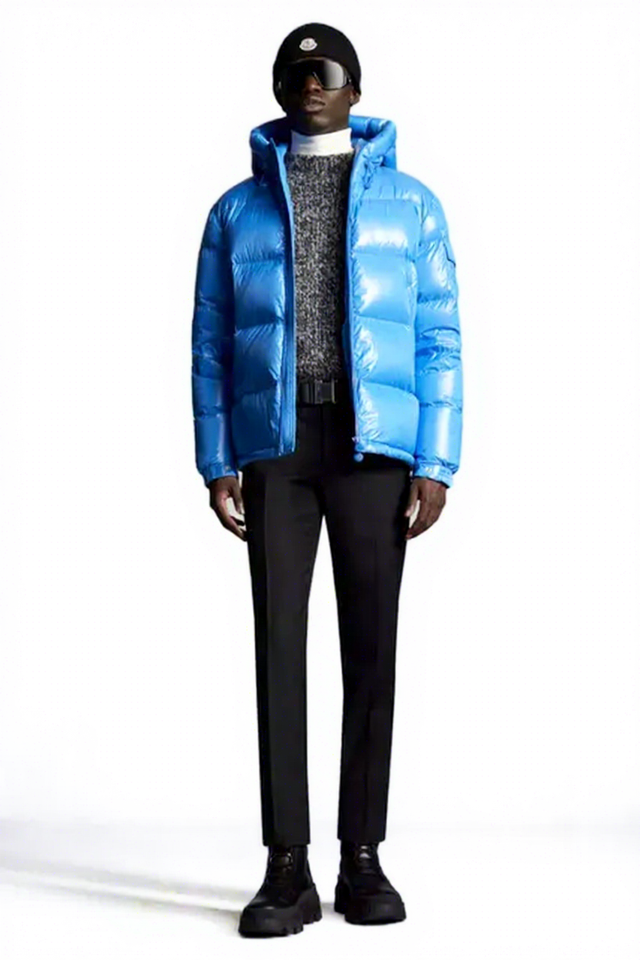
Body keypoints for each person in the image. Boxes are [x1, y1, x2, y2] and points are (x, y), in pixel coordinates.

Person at [190, 22, 463, 936]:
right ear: (279, 88)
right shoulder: (236, 211)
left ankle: (362, 857)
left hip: (374, 447)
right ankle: (286, 868)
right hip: (275, 447)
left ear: (356, 88)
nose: (313, 84)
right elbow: (209, 342)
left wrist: (436, 459)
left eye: (329, 71)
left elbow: (439, 334)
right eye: (297, 72)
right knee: (279, 651)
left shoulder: (413, 207)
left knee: (372, 652)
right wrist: (216, 456)